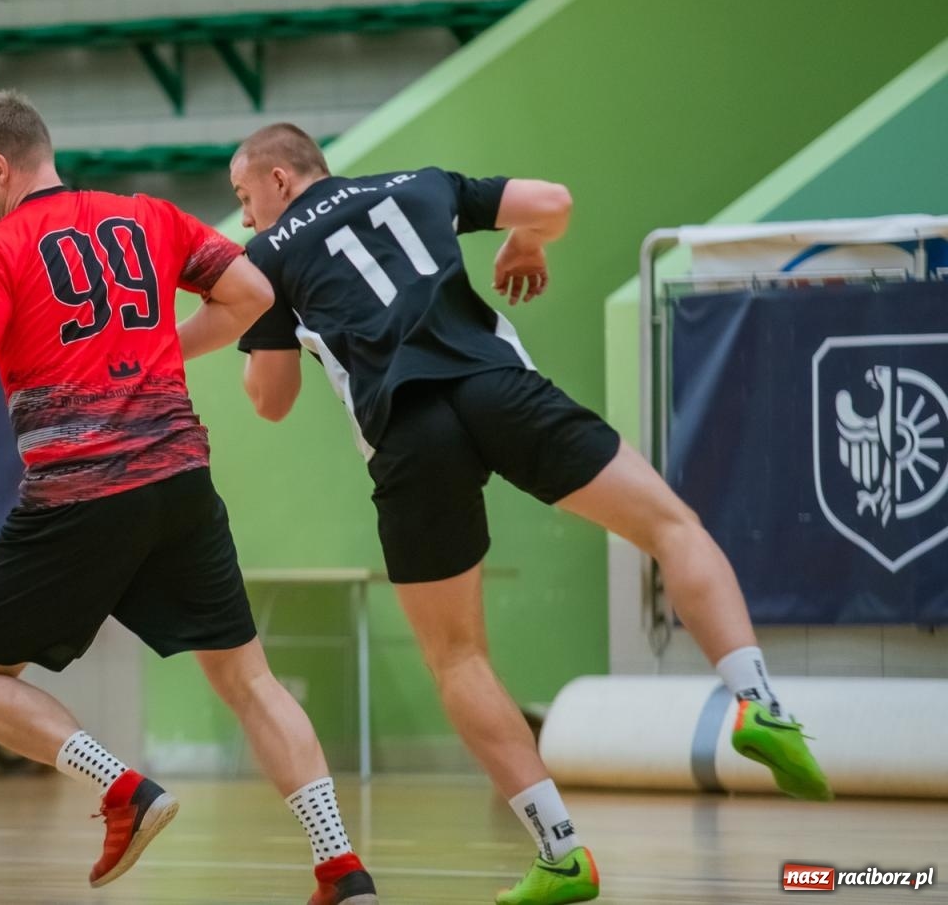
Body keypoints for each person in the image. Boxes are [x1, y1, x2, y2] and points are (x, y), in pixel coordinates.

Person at [228, 123, 831, 905]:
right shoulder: (420, 181)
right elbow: (553, 202)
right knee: (672, 527)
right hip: (495, 386)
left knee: (457, 658)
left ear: (279, 179)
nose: (245, 219)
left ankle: (562, 851)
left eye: (245, 198)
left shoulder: (263, 260)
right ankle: (760, 703)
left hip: (409, 436)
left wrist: (254, 339)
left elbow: (271, 402)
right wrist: (525, 244)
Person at [0, 92, 378, 905]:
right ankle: (341, 866)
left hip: (82, 493)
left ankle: (120, 785)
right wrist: (166, 347)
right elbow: (254, 297)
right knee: (250, 681)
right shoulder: (145, 215)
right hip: (180, 482)